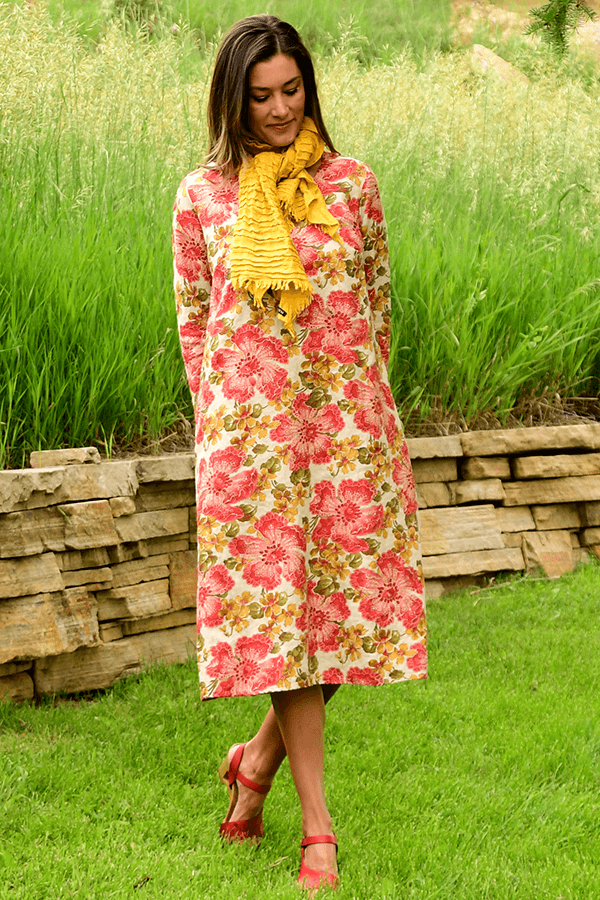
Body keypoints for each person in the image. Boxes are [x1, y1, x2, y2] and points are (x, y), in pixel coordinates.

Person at [172, 14, 427, 892]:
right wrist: (222, 425)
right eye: (261, 95)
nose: (280, 111)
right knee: (284, 621)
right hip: (252, 442)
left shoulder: (353, 185)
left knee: (344, 613)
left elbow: (378, 303)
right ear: (232, 98)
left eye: (293, 91)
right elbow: (194, 323)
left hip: (347, 431)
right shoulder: (202, 196)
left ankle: (254, 763)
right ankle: (318, 830)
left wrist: (362, 408)